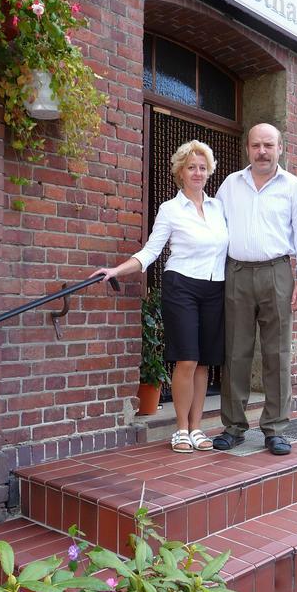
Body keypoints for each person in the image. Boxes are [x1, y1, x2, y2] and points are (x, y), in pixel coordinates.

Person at [91, 140, 229, 453]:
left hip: (215, 287)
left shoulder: (218, 207)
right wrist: (116, 271)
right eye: (191, 167)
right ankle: (180, 428)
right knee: (187, 358)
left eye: (202, 167)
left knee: (204, 362)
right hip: (181, 285)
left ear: (209, 172)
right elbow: (151, 252)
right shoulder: (170, 209)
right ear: (180, 171)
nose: (197, 172)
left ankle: (197, 428)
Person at [212, 123, 297, 456]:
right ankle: (234, 426)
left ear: (280, 148)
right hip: (237, 274)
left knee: (277, 353)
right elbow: (216, 231)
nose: (262, 151)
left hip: (276, 273)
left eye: (268, 145)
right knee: (235, 352)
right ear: (247, 148)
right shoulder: (230, 185)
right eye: (256, 145)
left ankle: (275, 429)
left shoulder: (293, 187)